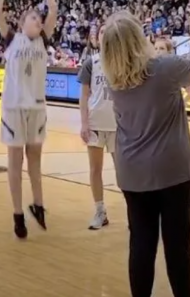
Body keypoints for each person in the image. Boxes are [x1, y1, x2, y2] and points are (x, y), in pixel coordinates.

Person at [101, 11, 190, 297]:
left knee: (141, 245)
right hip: (172, 169)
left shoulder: (114, 79)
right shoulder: (164, 67)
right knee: (177, 247)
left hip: (132, 171)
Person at [0, 0, 57, 238]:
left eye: (39, 20)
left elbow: (53, 9)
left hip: (37, 108)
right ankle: (18, 213)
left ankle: (39, 204)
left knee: (36, 161)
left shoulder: (43, 40)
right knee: (15, 162)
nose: (38, 21)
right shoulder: (11, 40)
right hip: (14, 107)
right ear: (22, 23)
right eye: (33, 18)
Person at [78, 30, 114, 230]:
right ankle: (100, 210)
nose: (104, 35)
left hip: (118, 124)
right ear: (96, 38)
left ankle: (134, 211)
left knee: (124, 172)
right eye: (101, 32)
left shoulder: (122, 60)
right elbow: (84, 96)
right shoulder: (91, 62)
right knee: (95, 169)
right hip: (95, 123)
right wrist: (84, 123)